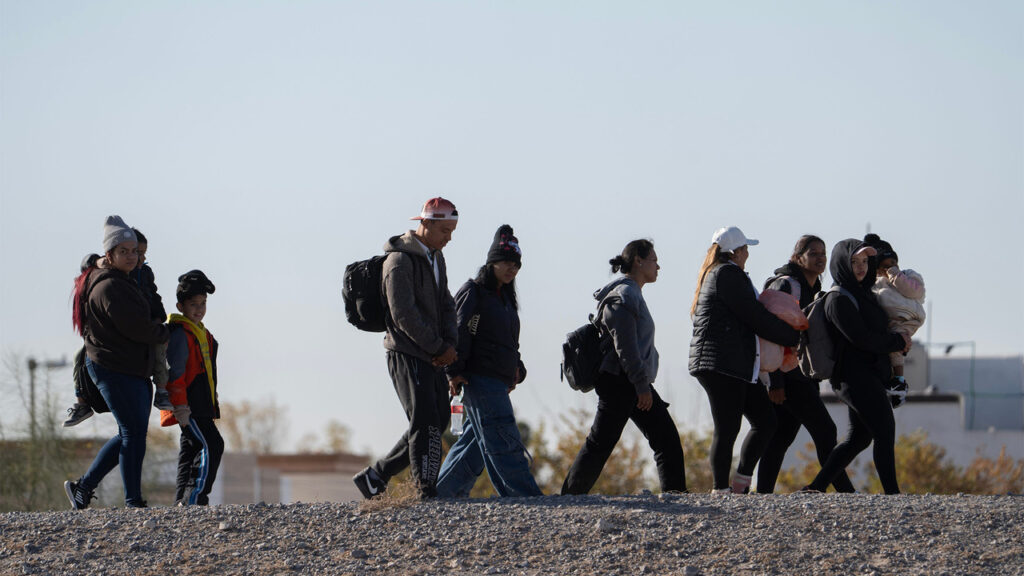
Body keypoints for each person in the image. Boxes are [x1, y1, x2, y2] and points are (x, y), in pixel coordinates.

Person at [352, 197, 459, 499]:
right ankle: (424, 489)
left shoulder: (436, 258)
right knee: (424, 419)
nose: (448, 238)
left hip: (432, 354)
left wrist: (449, 345)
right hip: (406, 352)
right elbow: (403, 316)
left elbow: (446, 304)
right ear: (425, 224)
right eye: (444, 231)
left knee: (437, 419)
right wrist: (438, 346)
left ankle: (376, 476)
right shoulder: (398, 262)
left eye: (452, 232)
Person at [562, 239, 687, 495]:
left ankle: (676, 497)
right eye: (654, 259)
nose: (658, 266)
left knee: (666, 440)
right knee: (601, 443)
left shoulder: (631, 293)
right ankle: (569, 498)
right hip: (621, 381)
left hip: (630, 381)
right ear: (639, 261)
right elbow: (626, 347)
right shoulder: (624, 295)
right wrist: (642, 386)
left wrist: (641, 385)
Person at [65, 215, 169, 509]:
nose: (132, 256)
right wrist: (164, 332)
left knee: (130, 432)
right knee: (132, 433)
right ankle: (133, 502)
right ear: (108, 254)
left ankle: (83, 488)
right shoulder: (109, 286)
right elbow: (136, 327)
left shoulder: (120, 279)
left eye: (134, 251)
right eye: (124, 251)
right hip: (114, 368)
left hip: (129, 367)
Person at [688, 226, 800, 494]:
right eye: (745, 249)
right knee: (727, 428)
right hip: (721, 364)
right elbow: (755, 316)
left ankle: (739, 486)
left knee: (765, 421)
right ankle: (721, 491)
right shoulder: (728, 275)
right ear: (735, 252)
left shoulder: (721, 274)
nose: (748, 253)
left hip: (733, 363)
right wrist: (790, 336)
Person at [436, 225, 542, 498]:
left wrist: (517, 368)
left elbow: (509, 342)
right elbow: (458, 331)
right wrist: (453, 370)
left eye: (516, 265)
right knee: (503, 435)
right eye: (507, 262)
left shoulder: (505, 299)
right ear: (492, 262)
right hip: (478, 377)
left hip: (497, 379)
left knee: (473, 443)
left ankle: (444, 495)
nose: (512, 269)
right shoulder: (474, 292)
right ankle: (525, 496)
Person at [802, 238, 911, 495]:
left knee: (859, 438)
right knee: (884, 429)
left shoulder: (864, 294)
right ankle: (893, 495)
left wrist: (899, 341)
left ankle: (815, 487)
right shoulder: (838, 299)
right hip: (853, 377)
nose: (861, 267)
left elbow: (876, 334)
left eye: (864, 261)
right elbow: (860, 338)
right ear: (842, 263)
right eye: (854, 262)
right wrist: (896, 341)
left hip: (868, 375)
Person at [754, 235, 855, 493]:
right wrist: (775, 381)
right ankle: (843, 492)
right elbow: (768, 332)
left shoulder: (815, 289)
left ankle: (762, 494)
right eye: (813, 253)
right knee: (825, 430)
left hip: (804, 376)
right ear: (798, 257)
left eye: (823, 253)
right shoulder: (786, 286)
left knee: (781, 436)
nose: (820, 258)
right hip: (788, 377)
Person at [160, 270, 224, 506]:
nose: (199, 308)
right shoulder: (179, 334)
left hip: (203, 404)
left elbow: (206, 371)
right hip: (190, 407)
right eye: (193, 304)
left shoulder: (202, 333)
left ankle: (181, 502)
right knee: (213, 444)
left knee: (189, 452)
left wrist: (213, 397)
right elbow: (174, 374)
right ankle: (195, 497)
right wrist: (180, 407)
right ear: (180, 305)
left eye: (203, 303)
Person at [864, 233, 926, 407]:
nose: (889, 268)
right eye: (884, 266)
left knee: (898, 343)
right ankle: (898, 382)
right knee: (895, 349)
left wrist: (894, 274)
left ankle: (898, 380)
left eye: (892, 264)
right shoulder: (876, 284)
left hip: (910, 317)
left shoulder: (907, 276)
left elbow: (915, 291)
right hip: (894, 323)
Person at [131, 228, 172, 411]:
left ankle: (162, 390)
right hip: (134, 323)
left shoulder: (146, 272)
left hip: (150, 322)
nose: (140, 258)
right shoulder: (122, 275)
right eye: (137, 253)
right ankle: (81, 400)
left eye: (143, 254)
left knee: (160, 347)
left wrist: (159, 317)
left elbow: (154, 295)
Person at [63, 253, 101, 427]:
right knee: (79, 357)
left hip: (102, 337)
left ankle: (82, 403)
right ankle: (82, 402)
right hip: (94, 336)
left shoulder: (100, 285)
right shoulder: (87, 287)